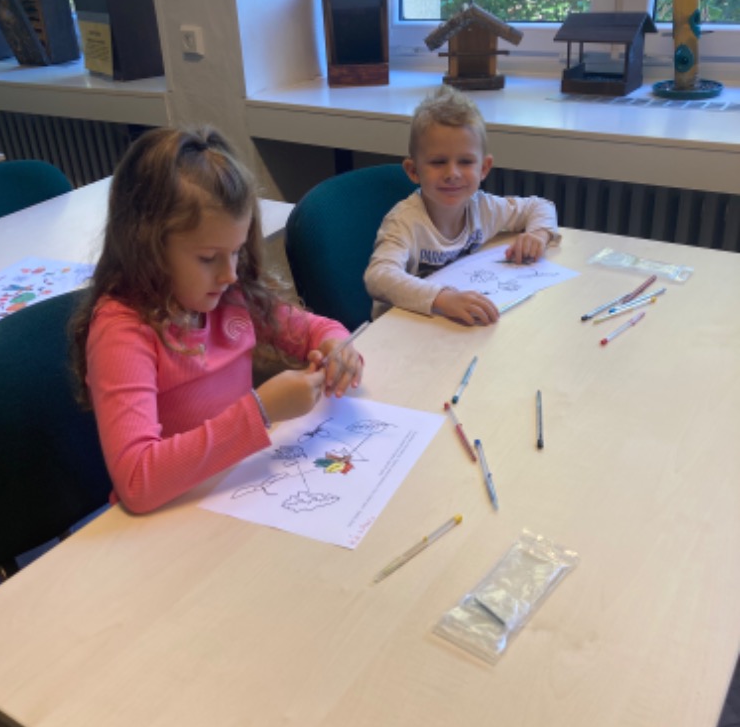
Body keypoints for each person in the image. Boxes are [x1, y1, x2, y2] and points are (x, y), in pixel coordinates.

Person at [71, 126, 363, 515]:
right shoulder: (122, 332)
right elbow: (137, 480)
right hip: (169, 517)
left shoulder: (230, 295)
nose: (229, 274)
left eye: (237, 252)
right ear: (147, 246)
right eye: (208, 258)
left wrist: (336, 345)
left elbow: (312, 328)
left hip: (234, 491)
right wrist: (261, 411)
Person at [364, 85, 560, 325]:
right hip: (403, 329)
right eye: (438, 162)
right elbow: (378, 277)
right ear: (413, 171)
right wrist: (442, 298)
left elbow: (540, 206)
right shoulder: (404, 222)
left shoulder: (483, 208)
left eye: (466, 161)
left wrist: (538, 235)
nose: (452, 174)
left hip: (455, 325)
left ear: (484, 168)